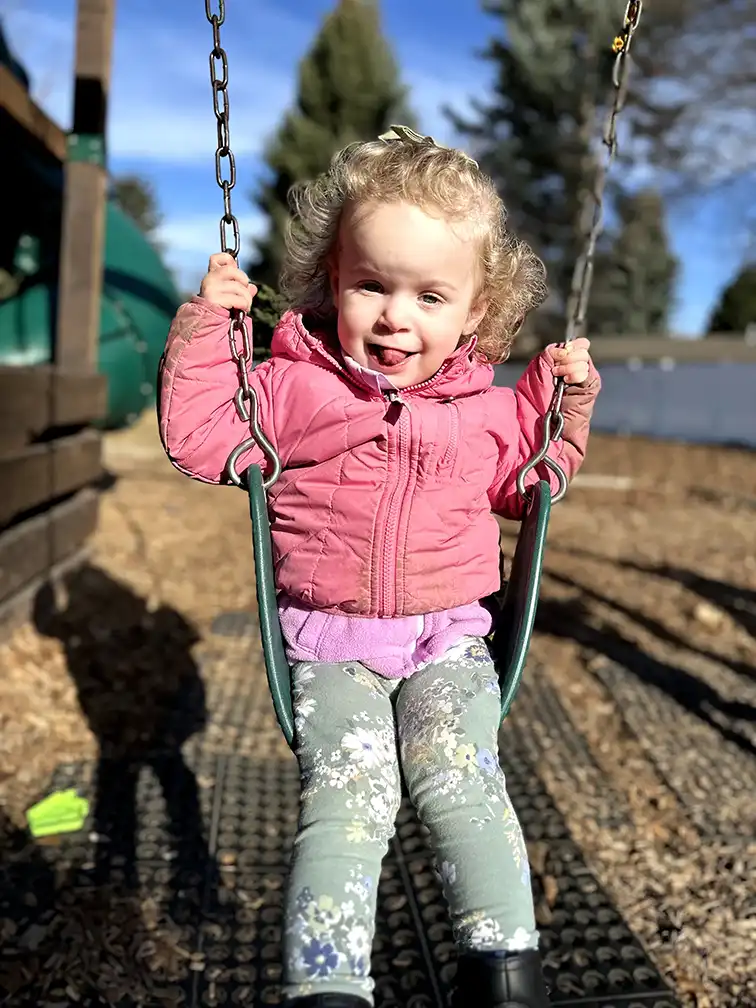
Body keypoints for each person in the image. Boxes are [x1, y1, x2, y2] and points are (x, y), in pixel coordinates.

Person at [158, 126, 600, 1008]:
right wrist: (214, 323)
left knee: (458, 776)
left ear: (476, 311)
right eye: (372, 285)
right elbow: (202, 435)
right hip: (332, 647)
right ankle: (328, 988)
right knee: (352, 797)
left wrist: (565, 400)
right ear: (333, 282)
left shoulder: (486, 411)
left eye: (431, 295)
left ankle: (505, 970)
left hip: (448, 642)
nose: (398, 316)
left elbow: (528, 482)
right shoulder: (291, 387)